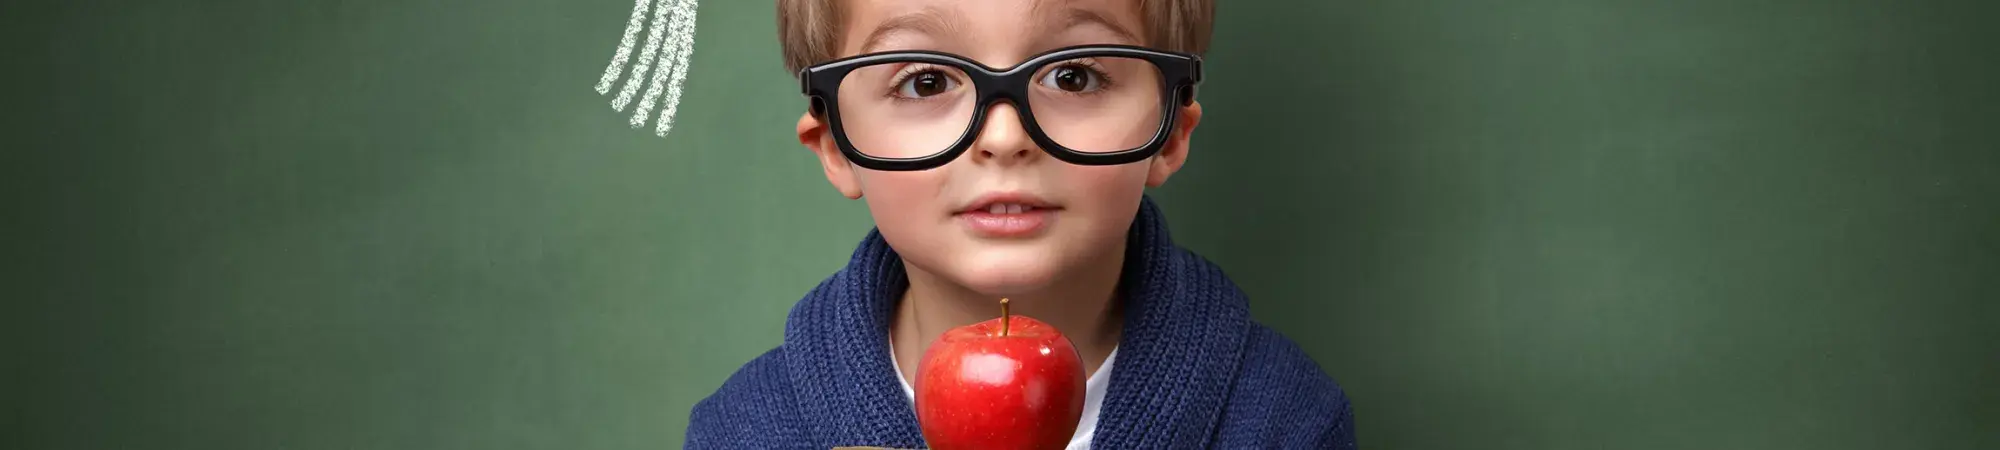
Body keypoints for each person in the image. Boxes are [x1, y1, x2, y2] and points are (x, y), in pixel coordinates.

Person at [685, 1, 1358, 448]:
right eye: (925, 82)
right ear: (836, 147)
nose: (1003, 136)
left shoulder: (1284, 420)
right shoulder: (745, 432)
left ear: (1170, 133)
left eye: (1074, 75)